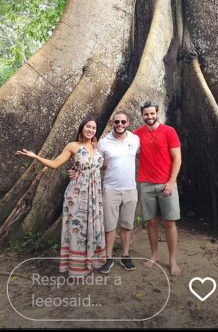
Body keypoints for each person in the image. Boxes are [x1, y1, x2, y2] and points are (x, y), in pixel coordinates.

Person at [15, 115, 106, 278]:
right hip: (77, 194)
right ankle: (77, 268)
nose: (90, 130)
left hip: (94, 195)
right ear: (82, 128)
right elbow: (55, 164)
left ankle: (90, 262)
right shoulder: (73, 146)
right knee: (78, 229)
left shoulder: (96, 146)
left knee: (92, 226)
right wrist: (35, 156)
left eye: (93, 128)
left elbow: (99, 166)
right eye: (88, 127)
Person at [69, 110, 140, 274]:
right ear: (112, 123)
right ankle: (108, 258)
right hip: (110, 189)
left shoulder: (135, 139)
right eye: (117, 122)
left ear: (128, 123)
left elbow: (144, 156)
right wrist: (75, 170)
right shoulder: (103, 142)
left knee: (127, 225)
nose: (120, 124)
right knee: (109, 226)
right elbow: (91, 161)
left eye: (123, 122)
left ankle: (125, 256)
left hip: (130, 189)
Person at [134, 101, 182, 276]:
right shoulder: (137, 134)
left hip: (166, 184)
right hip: (146, 184)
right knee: (152, 222)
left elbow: (177, 159)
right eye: (146, 114)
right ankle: (154, 255)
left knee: (170, 223)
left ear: (157, 113)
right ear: (142, 115)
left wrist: (171, 182)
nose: (149, 117)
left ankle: (172, 260)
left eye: (152, 114)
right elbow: (122, 148)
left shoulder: (169, 131)